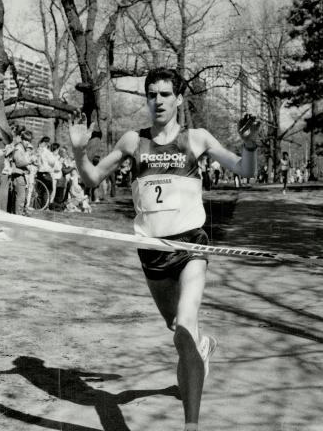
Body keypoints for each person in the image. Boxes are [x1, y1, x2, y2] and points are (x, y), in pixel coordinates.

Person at [69, 67, 259, 431]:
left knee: (184, 327)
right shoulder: (132, 141)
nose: (158, 101)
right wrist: (79, 152)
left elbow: (245, 170)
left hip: (191, 245)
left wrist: (249, 146)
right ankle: (201, 347)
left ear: (178, 99)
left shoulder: (196, 138)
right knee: (178, 331)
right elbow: (91, 178)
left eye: (165, 94)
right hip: (151, 253)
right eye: (152, 94)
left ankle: (191, 425)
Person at [12, 130, 34, 215]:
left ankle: (19, 214)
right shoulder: (19, 148)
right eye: (26, 140)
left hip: (21, 174)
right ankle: (18, 216)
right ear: (22, 139)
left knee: (21, 198)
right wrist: (29, 161)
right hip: (18, 175)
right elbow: (18, 162)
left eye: (29, 141)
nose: (28, 143)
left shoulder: (22, 148)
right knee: (20, 198)